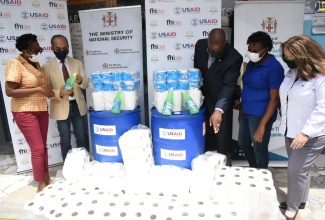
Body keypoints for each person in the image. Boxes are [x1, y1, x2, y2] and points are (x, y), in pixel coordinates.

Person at [279, 35, 325, 220]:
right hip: (290, 131)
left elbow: (323, 107)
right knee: (300, 171)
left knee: (295, 171)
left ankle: (292, 209)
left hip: (310, 135)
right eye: (285, 56)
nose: (287, 60)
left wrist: (306, 133)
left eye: (291, 57)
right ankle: (301, 200)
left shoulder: (320, 77)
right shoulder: (292, 73)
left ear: (304, 56)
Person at [5, 33, 54, 192]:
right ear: (24, 51)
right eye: (34, 50)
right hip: (25, 111)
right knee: (38, 149)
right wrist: (39, 89)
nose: (37, 52)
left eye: (38, 49)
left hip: (41, 109)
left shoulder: (36, 64)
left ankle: (46, 178)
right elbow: (10, 91)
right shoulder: (15, 64)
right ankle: (40, 183)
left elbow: (40, 86)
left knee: (43, 147)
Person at [194, 28, 243, 165]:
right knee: (203, 133)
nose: (215, 53)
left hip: (220, 99)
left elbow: (228, 85)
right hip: (203, 98)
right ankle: (204, 163)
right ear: (208, 42)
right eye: (212, 50)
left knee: (221, 136)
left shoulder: (234, 57)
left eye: (218, 51)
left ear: (225, 44)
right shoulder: (200, 45)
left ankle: (223, 166)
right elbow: (197, 70)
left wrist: (219, 109)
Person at [238, 31, 284, 169]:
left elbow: (275, 99)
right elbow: (247, 88)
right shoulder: (252, 64)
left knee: (259, 147)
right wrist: (241, 110)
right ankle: (253, 168)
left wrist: (262, 125)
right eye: (250, 50)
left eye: (255, 50)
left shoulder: (274, 67)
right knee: (243, 143)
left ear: (266, 49)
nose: (252, 53)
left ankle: (262, 173)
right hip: (246, 110)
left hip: (261, 114)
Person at [42, 35, 89, 161]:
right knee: (65, 140)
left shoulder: (77, 63)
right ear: (52, 48)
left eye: (65, 48)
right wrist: (60, 93)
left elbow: (86, 84)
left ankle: (84, 163)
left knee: (81, 137)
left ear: (68, 47)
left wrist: (80, 81)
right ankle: (68, 167)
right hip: (61, 105)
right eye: (58, 49)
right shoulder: (46, 67)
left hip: (77, 105)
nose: (62, 51)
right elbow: (46, 90)